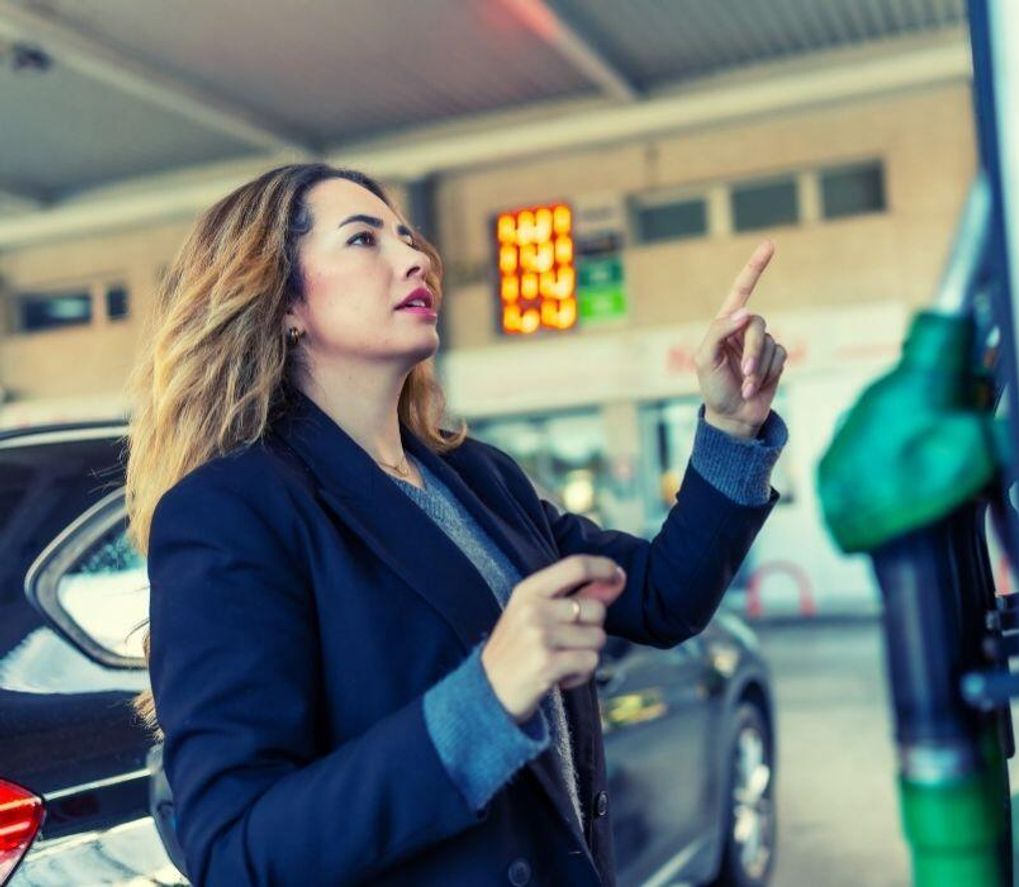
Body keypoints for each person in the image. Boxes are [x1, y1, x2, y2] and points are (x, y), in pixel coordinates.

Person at [126, 162, 788, 886]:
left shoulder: (477, 475)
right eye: (363, 239)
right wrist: (484, 696)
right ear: (284, 302)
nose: (414, 256)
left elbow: (663, 595)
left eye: (407, 236)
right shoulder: (232, 511)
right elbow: (236, 851)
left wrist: (731, 424)